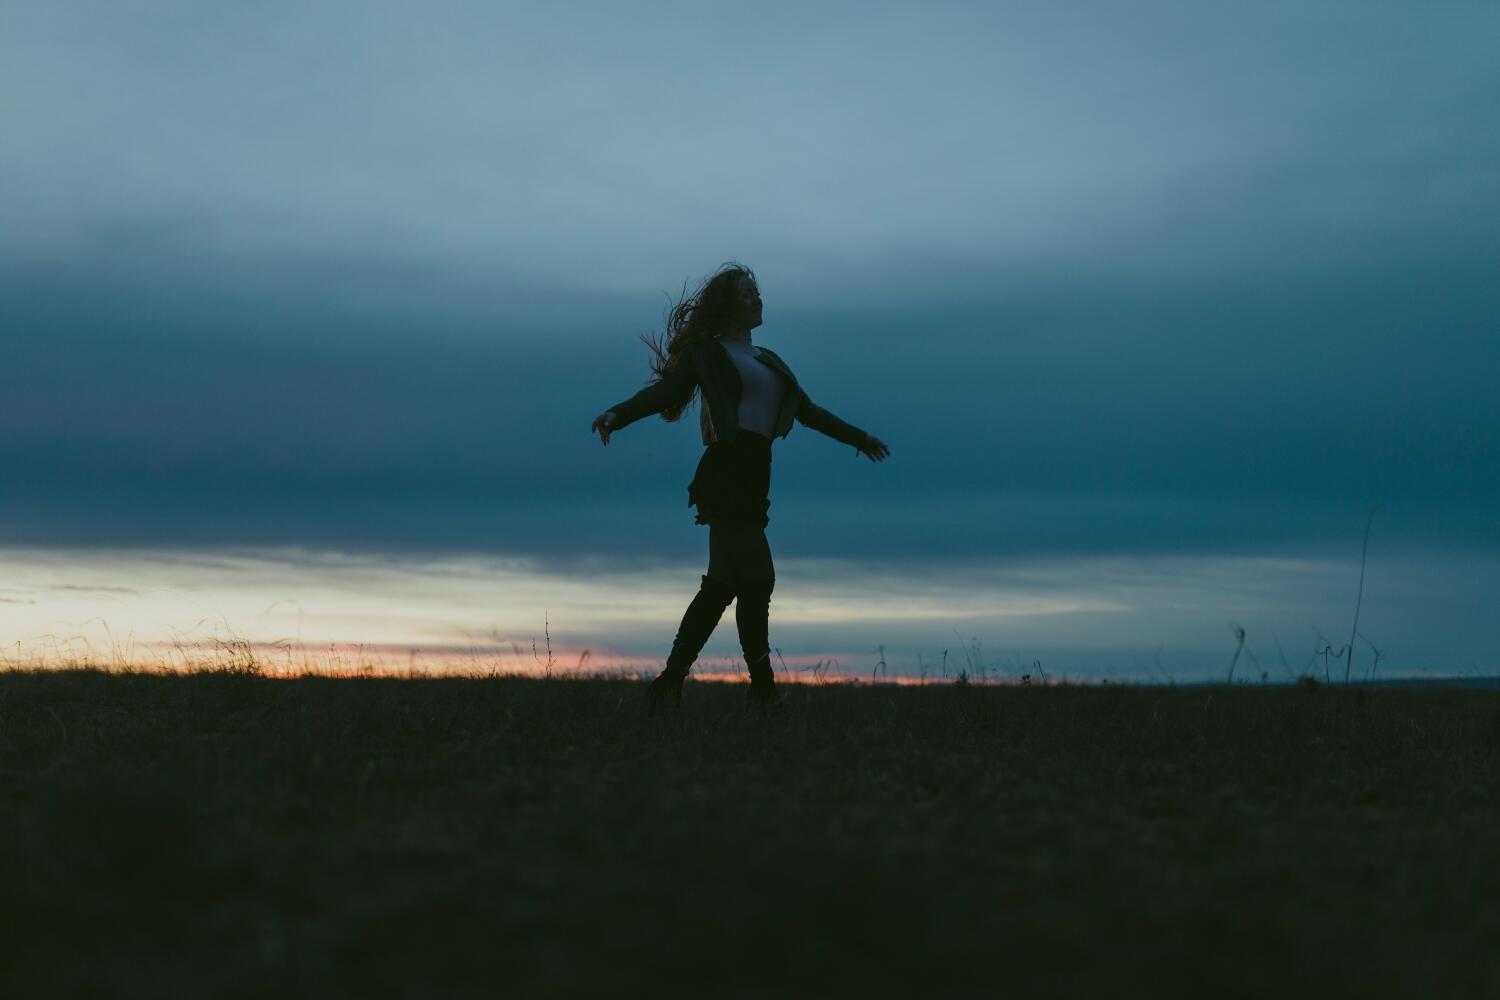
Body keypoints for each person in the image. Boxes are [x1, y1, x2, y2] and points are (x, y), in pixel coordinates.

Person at [590, 262, 890, 713]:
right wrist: (618, 414)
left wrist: (859, 438)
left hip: (757, 472)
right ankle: (763, 688)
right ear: (729, 304)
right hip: (725, 470)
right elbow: (666, 394)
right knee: (760, 576)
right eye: (747, 293)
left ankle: (669, 683)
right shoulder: (707, 354)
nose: (757, 299)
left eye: (757, 292)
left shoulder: (769, 360)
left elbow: (808, 411)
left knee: (723, 584)